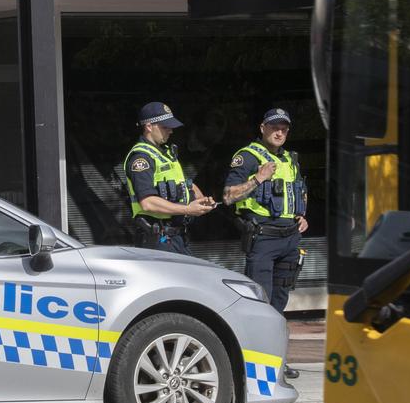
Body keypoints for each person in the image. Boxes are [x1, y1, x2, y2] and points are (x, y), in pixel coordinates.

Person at [224, 107, 309, 312]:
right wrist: (258, 179)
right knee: (259, 301)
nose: (279, 133)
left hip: (290, 238)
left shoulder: (290, 159)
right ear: (263, 128)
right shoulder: (248, 156)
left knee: (280, 300)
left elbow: (297, 191)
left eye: (284, 129)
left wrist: (300, 215)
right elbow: (228, 196)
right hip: (263, 238)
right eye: (274, 128)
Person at [123, 102, 216, 254]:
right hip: (157, 239)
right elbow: (147, 202)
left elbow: (183, 184)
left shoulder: (165, 154)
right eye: (165, 127)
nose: (171, 131)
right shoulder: (141, 158)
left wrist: (200, 200)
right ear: (148, 127)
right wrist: (188, 209)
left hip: (176, 237)